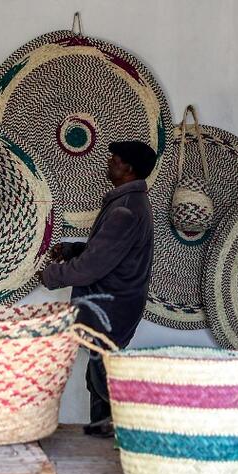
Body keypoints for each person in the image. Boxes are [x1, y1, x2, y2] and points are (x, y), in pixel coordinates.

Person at [39, 140, 156, 438]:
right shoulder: (128, 204)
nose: (109, 162)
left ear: (128, 167)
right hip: (113, 307)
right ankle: (101, 439)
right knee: (99, 377)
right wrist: (75, 249)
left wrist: (52, 276)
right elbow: (110, 252)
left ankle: (124, 439)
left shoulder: (126, 210)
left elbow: (93, 267)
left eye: (115, 158)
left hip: (110, 309)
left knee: (104, 380)